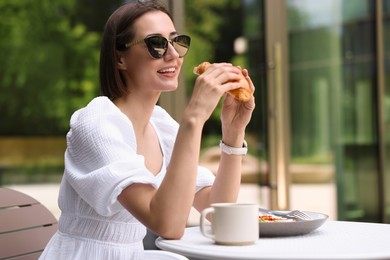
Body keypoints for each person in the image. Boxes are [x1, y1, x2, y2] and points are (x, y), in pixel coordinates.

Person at [39, 0, 255, 259]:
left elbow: (217, 212)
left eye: (176, 41)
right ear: (120, 58)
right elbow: (167, 225)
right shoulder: (95, 124)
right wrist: (194, 117)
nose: (173, 55)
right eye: (156, 44)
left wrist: (233, 135)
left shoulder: (160, 124)